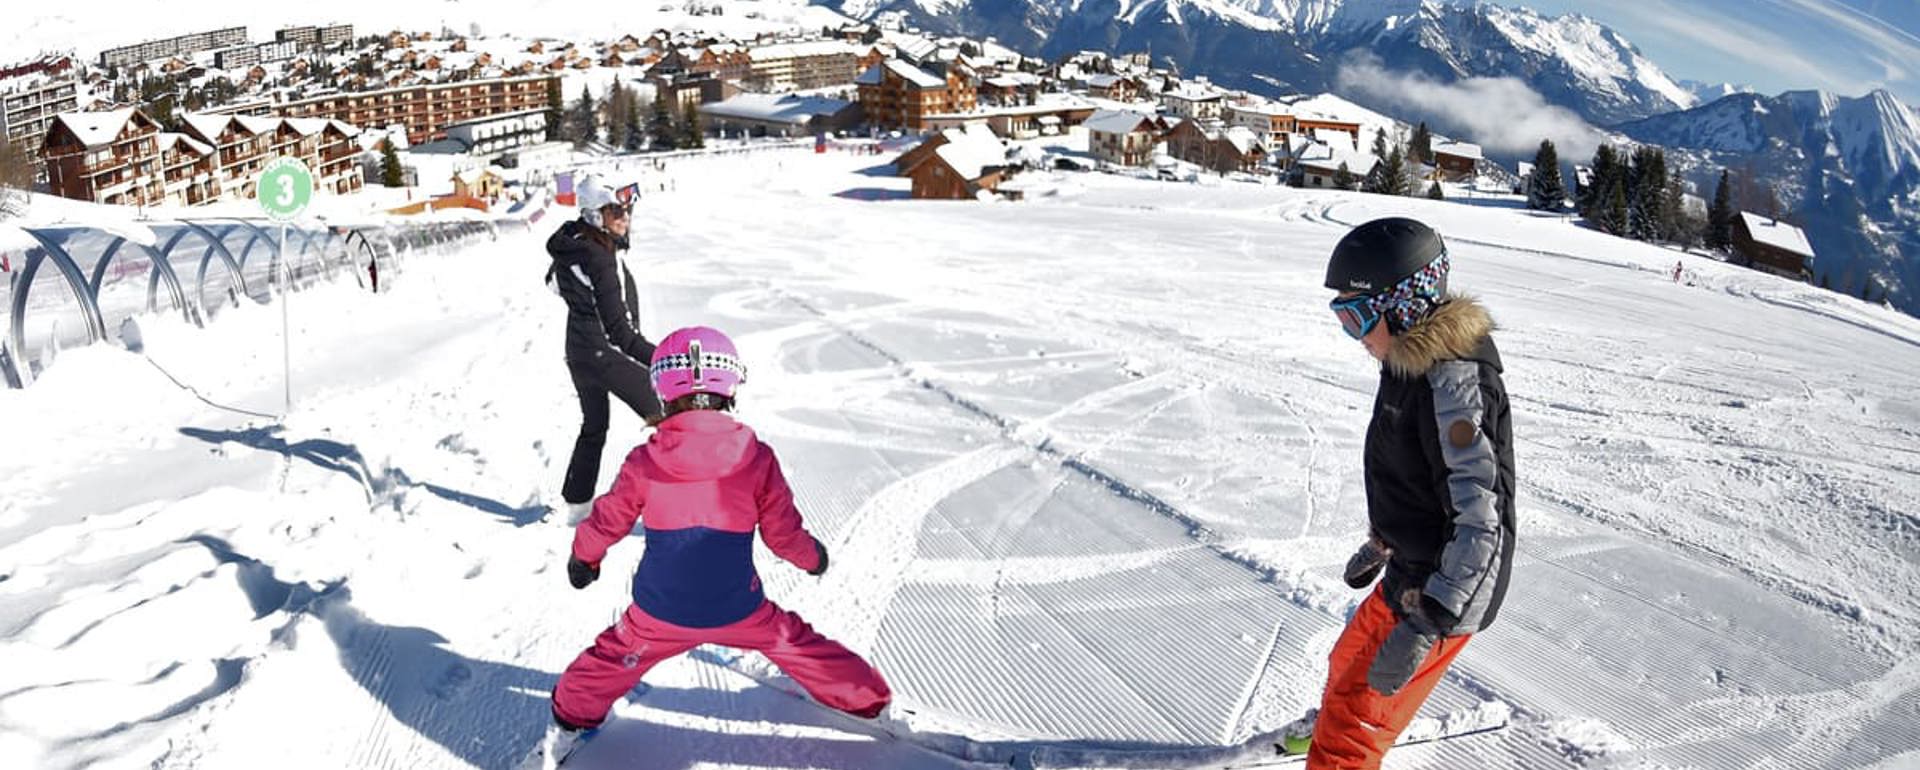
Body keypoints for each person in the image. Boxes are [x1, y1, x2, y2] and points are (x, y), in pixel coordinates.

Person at [527, 326, 892, 767]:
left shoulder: (646, 460)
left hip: (658, 614)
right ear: (731, 384)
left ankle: (571, 716)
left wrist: (584, 557)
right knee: (795, 642)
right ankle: (869, 700)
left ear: (663, 388)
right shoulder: (756, 457)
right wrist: (812, 556)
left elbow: (609, 519)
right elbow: (783, 535)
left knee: (611, 658)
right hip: (740, 609)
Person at [1308, 217, 1517, 769]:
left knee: (1351, 734)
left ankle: (1337, 741)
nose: (1354, 335)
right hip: (1410, 567)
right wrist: (1382, 542)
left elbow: (1481, 519)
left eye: (1357, 317)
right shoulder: (1405, 360)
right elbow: (1409, 476)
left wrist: (1430, 620)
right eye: (1342, 317)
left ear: (1403, 306)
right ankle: (1332, 720)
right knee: (1346, 661)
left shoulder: (1455, 386)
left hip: (1443, 591)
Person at [547, 174, 665, 524]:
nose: (624, 219)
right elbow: (621, 335)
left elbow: (553, 283)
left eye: (627, 211)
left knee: (594, 426)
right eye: (615, 211)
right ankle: (676, 509)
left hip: (579, 352)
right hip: (604, 354)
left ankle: (576, 508)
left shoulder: (574, 242)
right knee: (671, 419)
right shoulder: (600, 257)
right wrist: (667, 362)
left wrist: (582, 299)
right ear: (595, 215)